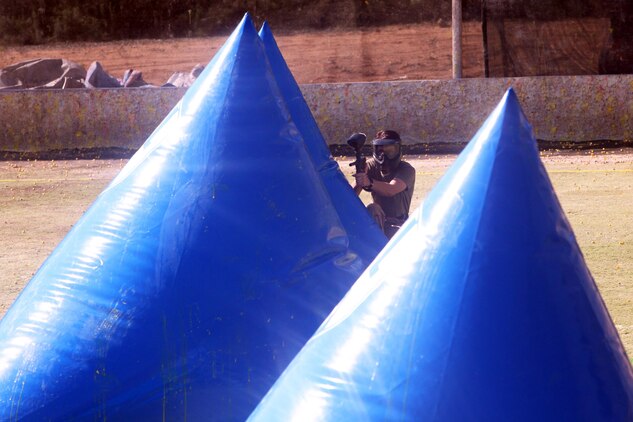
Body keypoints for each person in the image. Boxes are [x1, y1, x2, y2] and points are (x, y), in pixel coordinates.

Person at [353, 130, 416, 239]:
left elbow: (391, 189)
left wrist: (369, 182)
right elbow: (351, 195)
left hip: (398, 224)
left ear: (398, 149)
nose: (384, 155)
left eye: (389, 150)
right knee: (373, 208)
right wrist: (361, 175)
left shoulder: (406, 169)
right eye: (380, 150)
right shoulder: (370, 166)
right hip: (376, 222)